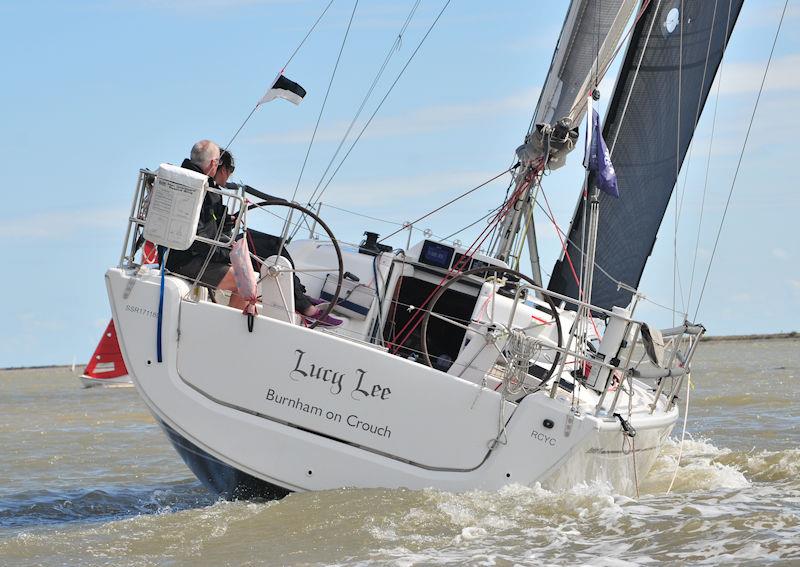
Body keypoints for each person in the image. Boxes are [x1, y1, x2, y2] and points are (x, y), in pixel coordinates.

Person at [213, 148, 341, 326]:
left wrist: (229, 220)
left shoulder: (213, 191)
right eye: (229, 172)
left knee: (276, 244)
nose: (228, 178)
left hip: (225, 238)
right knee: (271, 252)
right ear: (222, 168)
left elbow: (215, 220)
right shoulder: (210, 191)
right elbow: (208, 225)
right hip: (220, 244)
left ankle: (300, 296)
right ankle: (307, 308)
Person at [165, 140, 249, 310]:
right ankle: (229, 334)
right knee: (244, 284)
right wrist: (227, 253)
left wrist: (225, 222)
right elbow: (199, 239)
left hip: (181, 256)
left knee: (244, 272)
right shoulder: (200, 189)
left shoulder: (186, 181)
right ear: (213, 163)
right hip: (186, 260)